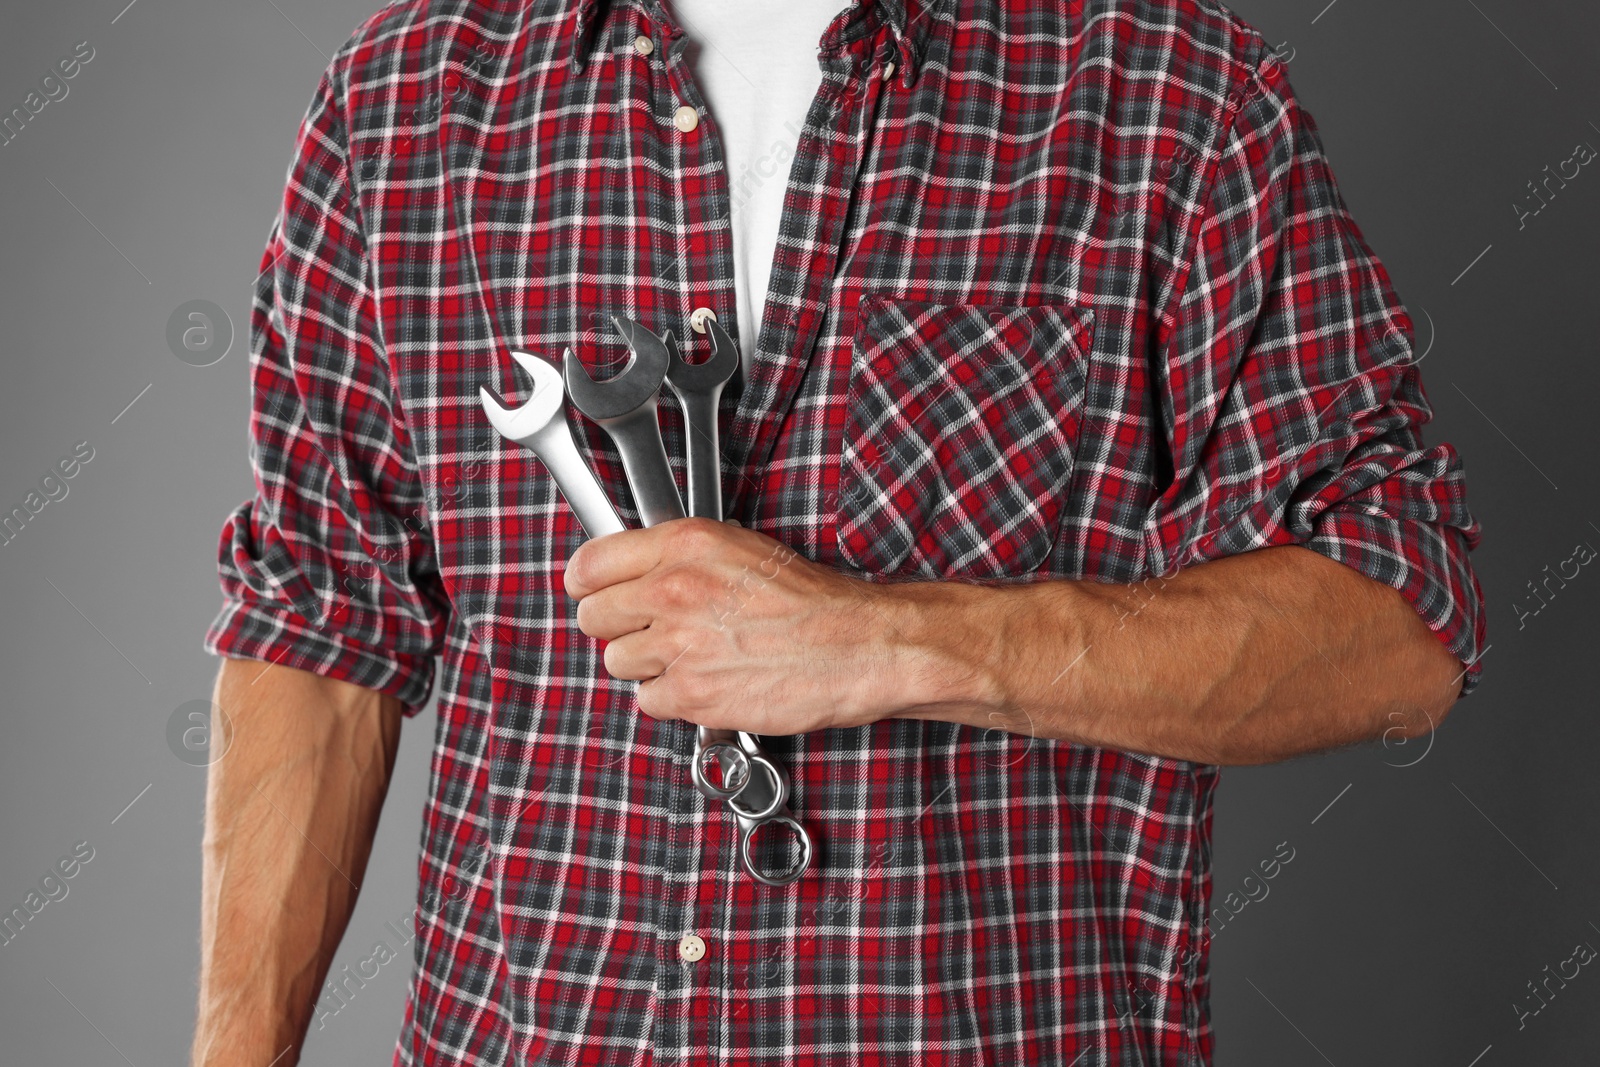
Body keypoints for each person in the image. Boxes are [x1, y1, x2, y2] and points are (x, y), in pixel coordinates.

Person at [191, 0, 1487, 1063]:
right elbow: (320, 625)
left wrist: (895, 640)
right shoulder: (404, 98)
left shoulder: (1168, 88)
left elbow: (1395, 629)